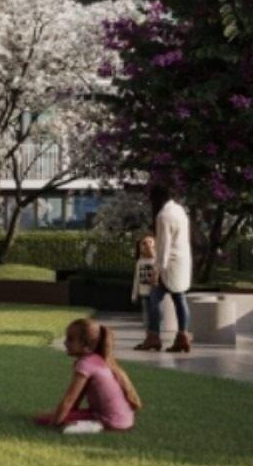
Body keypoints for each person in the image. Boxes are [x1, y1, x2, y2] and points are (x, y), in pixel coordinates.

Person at [36, 318, 141, 433]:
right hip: (123, 419)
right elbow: (77, 398)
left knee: (43, 419)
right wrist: (68, 414)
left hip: (111, 421)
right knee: (52, 415)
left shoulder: (85, 364)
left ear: (87, 346)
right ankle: (89, 423)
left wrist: (55, 422)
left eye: (70, 340)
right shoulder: (96, 360)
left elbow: (69, 399)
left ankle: (94, 426)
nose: (65, 343)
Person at [150, 183, 193, 353]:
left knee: (154, 299)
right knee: (180, 298)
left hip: (169, 263)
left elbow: (164, 246)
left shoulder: (163, 215)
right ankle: (183, 336)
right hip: (182, 262)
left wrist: (158, 270)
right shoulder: (180, 211)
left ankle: (153, 337)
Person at [131, 234, 159, 350]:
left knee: (155, 315)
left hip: (155, 293)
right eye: (144, 243)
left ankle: (156, 337)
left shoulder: (156, 261)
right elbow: (136, 279)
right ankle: (149, 337)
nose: (147, 245)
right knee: (146, 317)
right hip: (143, 293)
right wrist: (134, 294)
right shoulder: (140, 262)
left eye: (150, 242)